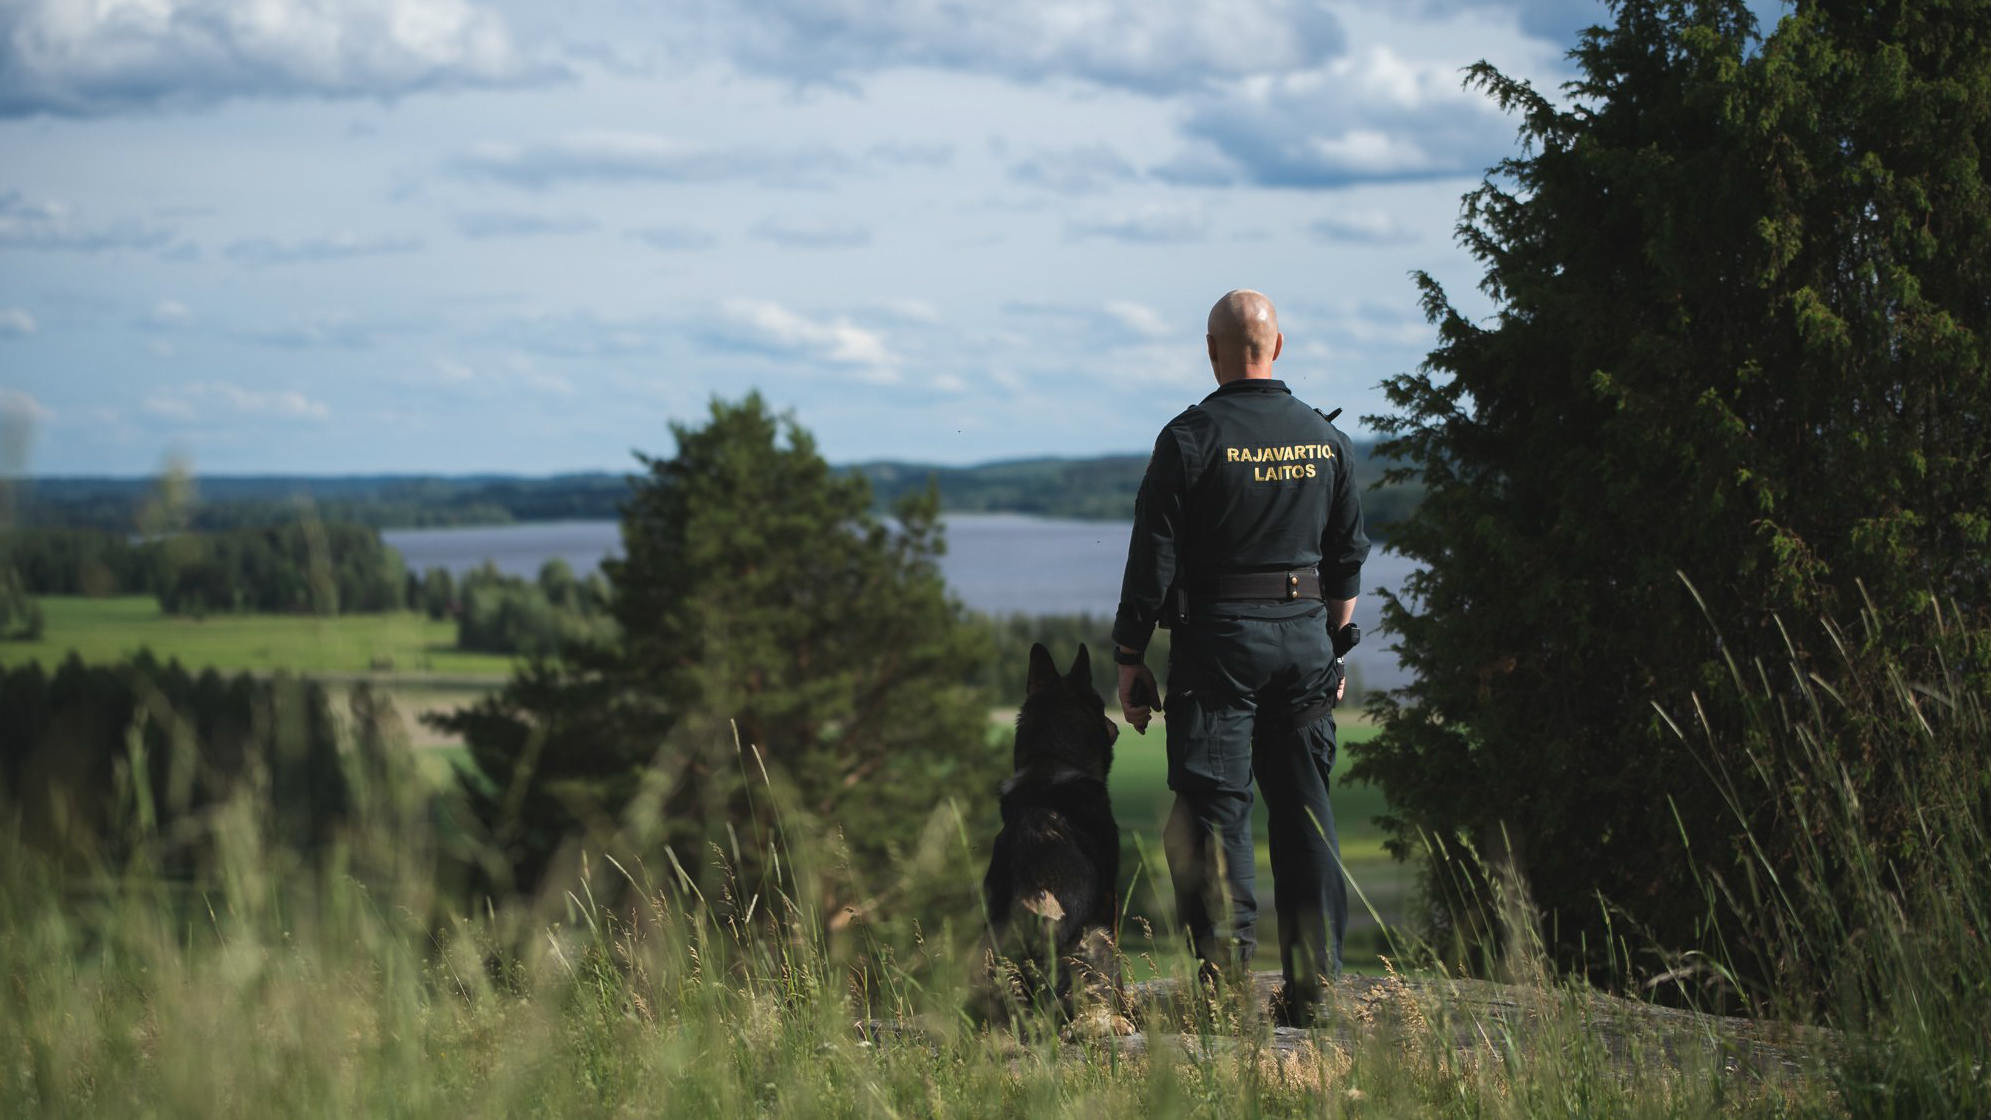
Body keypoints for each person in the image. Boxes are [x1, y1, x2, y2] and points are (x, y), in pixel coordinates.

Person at [1112, 288, 1369, 1023]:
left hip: (1218, 644)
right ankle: (1313, 992)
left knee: (1214, 813)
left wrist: (1130, 657)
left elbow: (1151, 564)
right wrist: (1335, 645)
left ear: (1211, 350)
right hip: (1303, 641)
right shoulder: (1325, 438)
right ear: (1277, 347)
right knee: (1304, 814)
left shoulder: (1189, 438)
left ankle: (1224, 992)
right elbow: (1346, 560)